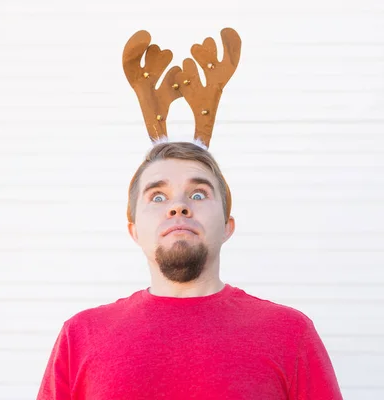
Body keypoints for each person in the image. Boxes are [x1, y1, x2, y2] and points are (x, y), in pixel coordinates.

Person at [36, 27, 344, 399]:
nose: (179, 206)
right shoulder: (80, 337)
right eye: (157, 196)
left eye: (198, 194)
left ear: (228, 225)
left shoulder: (290, 334)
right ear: (133, 229)